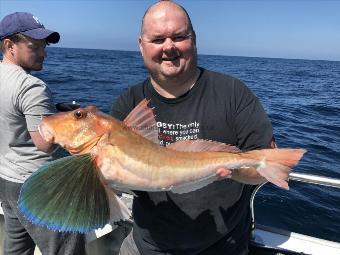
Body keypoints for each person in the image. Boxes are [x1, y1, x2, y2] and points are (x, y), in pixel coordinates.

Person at [111, 1, 276, 254]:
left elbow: (267, 162)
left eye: (179, 37)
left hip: (223, 246)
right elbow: (118, 183)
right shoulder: (130, 102)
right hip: (148, 246)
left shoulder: (232, 93)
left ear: (194, 39)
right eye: (157, 39)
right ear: (141, 45)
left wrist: (234, 169)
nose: (169, 47)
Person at [0, 12, 85, 254]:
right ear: (9, 45)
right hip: (40, 186)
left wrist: (56, 115)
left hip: (6, 179)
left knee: (16, 248)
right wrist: (76, 123)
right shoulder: (32, 87)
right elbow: (44, 144)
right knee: (66, 249)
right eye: (34, 46)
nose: (43, 52)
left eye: (44, 45)